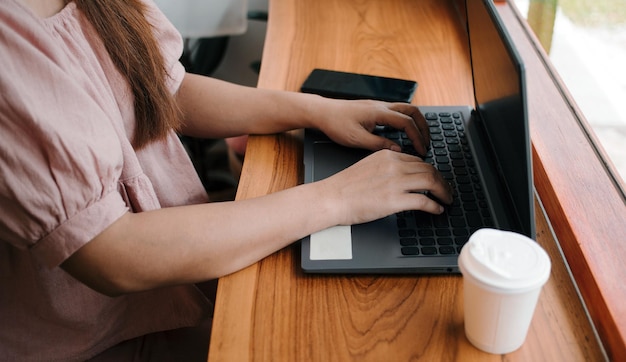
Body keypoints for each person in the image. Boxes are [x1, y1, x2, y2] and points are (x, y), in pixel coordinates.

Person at [0, 0, 453, 360]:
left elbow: (165, 89)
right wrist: (338, 198)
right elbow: (112, 253)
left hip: (167, 289)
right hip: (88, 338)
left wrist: (314, 109)